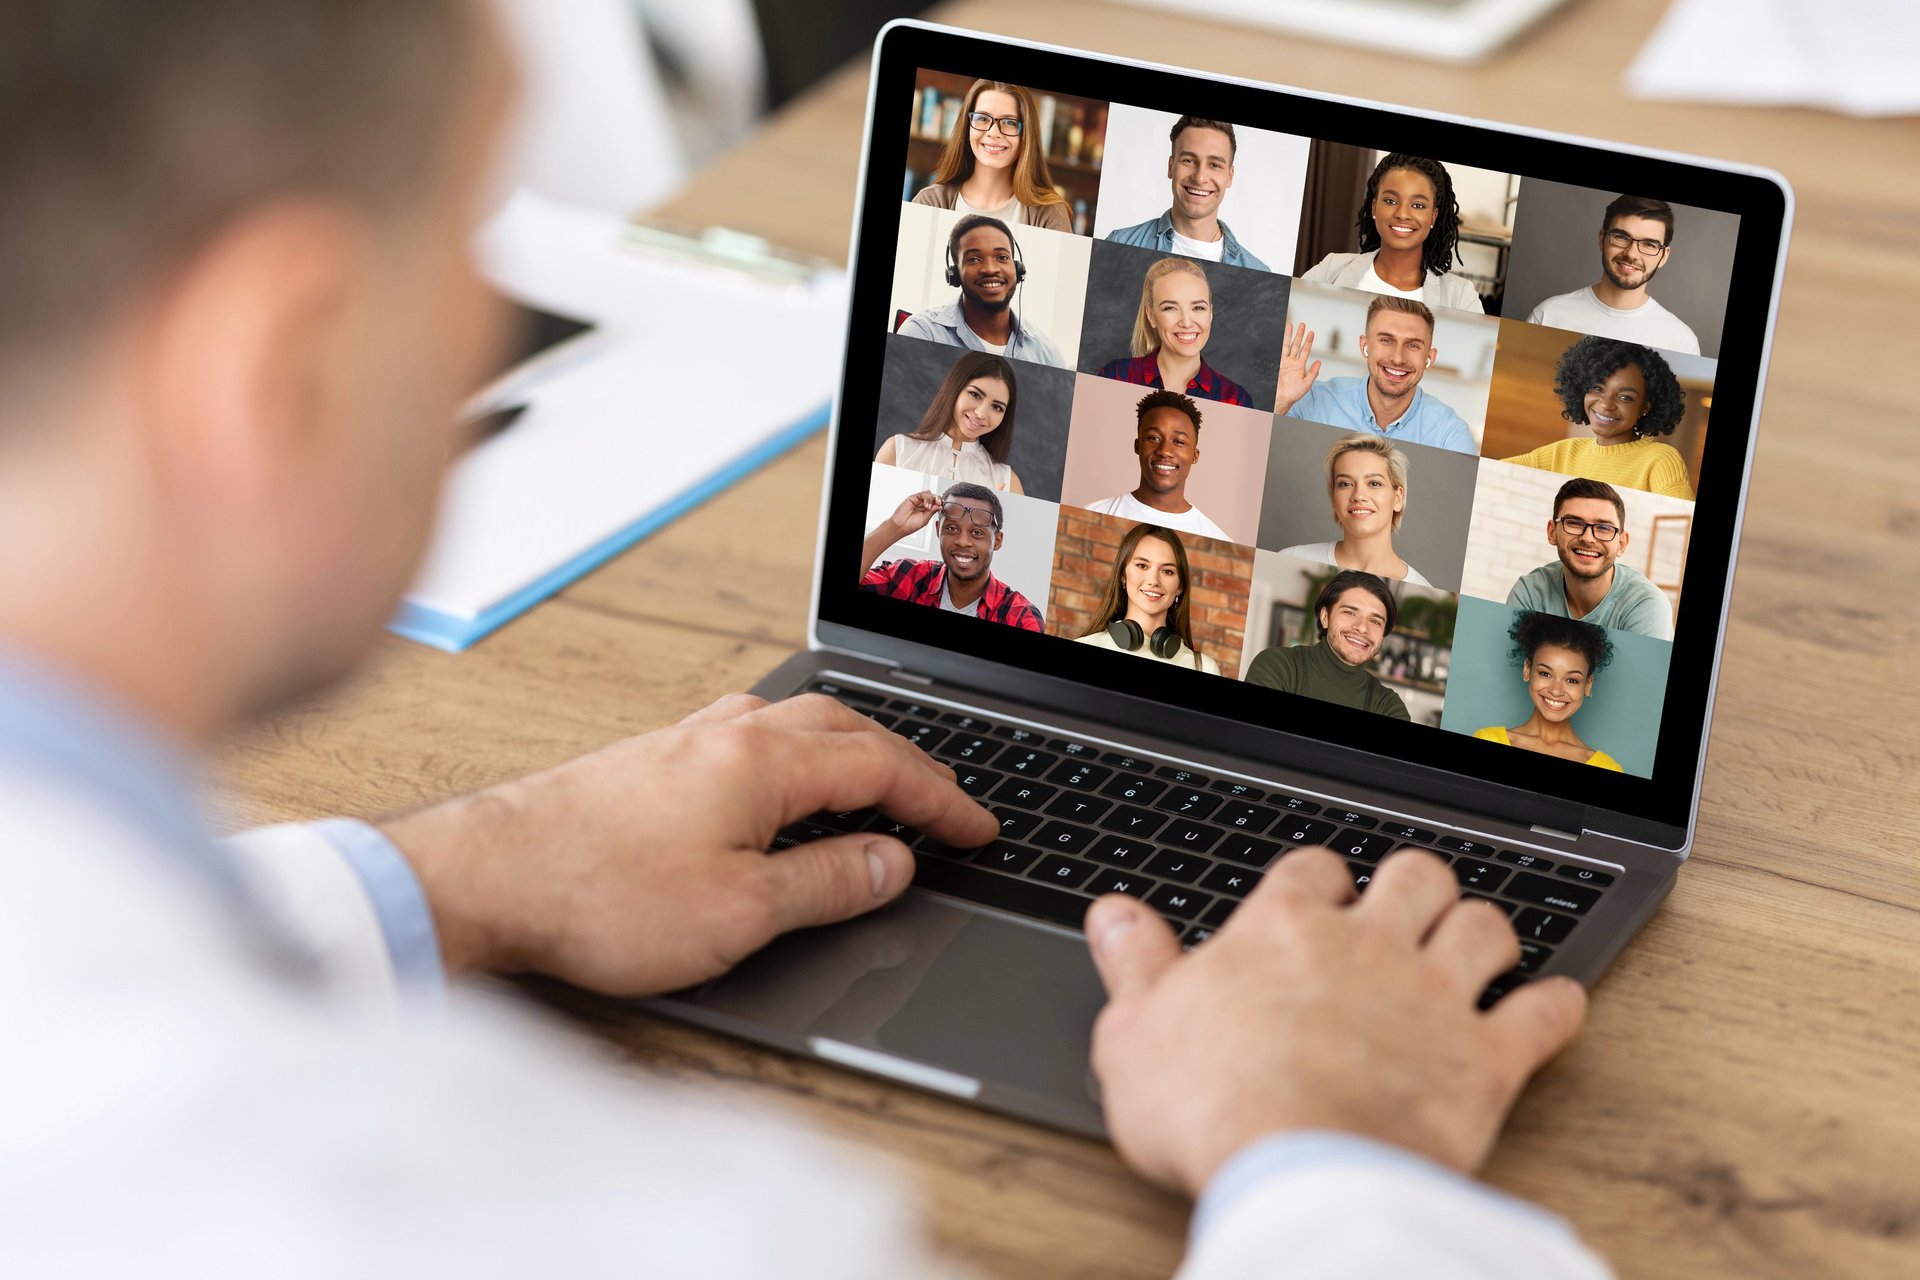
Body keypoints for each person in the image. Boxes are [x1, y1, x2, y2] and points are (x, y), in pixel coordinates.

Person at [2, 3, 1609, 1274]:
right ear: (274, 367)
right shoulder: (589, 1227)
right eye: (472, 238)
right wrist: (1331, 1163)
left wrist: (448, 874)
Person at [1276, 296, 1478, 455]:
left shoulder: (1450, 434)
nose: (1398, 358)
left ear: (1429, 358)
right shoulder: (1311, 401)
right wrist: (1280, 403)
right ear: (1365, 346)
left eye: (1413, 345)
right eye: (1386, 340)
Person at [1504, 335, 1695, 499]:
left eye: (1625, 397)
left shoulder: (1659, 459)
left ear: (1645, 407)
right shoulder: (1562, 452)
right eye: (1597, 388)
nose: (1606, 404)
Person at [1302, 153, 1484, 313]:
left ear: (1433, 217)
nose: (1402, 214)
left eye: (1418, 205)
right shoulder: (1331, 269)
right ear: (1374, 207)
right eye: (1390, 201)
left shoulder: (1461, 297)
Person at [1525, 195, 1701, 356]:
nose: (1632, 254)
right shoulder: (1548, 315)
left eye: (1649, 244)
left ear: (1664, 256)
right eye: (1621, 237)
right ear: (1602, 239)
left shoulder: (1681, 341)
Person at [858, 483, 1044, 629]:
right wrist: (895, 527)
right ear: (939, 530)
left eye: (977, 533)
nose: (963, 541)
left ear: (997, 541)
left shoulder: (1021, 616)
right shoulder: (906, 576)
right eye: (952, 528)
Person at [1507, 478, 1675, 640]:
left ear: (1622, 544)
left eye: (1604, 527)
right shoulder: (1529, 592)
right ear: (1552, 532)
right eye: (1574, 523)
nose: (1588, 538)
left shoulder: (1647, 606)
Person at [897, 214, 1067, 367]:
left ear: (1017, 268)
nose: (990, 269)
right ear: (954, 273)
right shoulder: (921, 333)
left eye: (1002, 257)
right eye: (973, 259)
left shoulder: (1046, 352)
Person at [1103, 116, 1269, 270]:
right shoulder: (1119, 244)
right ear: (1170, 167)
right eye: (1188, 161)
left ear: (1229, 176)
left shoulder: (1258, 271)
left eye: (1215, 165)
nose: (1200, 177)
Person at [1243, 571, 1412, 720]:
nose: (1362, 627)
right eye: (1350, 612)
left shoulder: (1389, 707)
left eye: (1375, 621)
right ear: (1325, 617)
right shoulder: (1277, 666)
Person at [910, 79, 1072, 231]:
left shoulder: (1050, 213)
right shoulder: (930, 202)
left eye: (1009, 122)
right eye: (982, 118)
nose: (993, 133)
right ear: (967, 128)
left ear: (1026, 135)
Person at [1473, 613, 1624, 771]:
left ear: (1587, 685)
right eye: (1545, 674)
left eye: (1572, 680)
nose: (1556, 691)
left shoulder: (1608, 767)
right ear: (1527, 670)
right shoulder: (1488, 739)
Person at [1280, 433, 1434, 586]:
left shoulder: (1422, 586)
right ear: (1333, 497)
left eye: (1374, 483)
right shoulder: (1289, 557)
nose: (1359, 496)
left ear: (1398, 498)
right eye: (1345, 484)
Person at [1095, 257, 1251, 405]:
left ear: (1210, 313)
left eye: (1198, 308)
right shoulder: (1116, 376)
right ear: (1152, 316)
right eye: (1170, 308)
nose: (1187, 322)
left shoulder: (1235, 398)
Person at [1083, 389, 1232, 539]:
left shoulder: (1216, 536)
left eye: (1179, 442)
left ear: (1195, 455)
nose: (1165, 451)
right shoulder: (1092, 513)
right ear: (1137, 445)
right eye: (1154, 438)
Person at [1072, 525, 1221, 674]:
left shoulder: (1204, 668)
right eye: (1142, 565)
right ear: (1123, 575)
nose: (1153, 580)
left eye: (1167, 571)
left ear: (1180, 586)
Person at [875, 351, 1025, 493]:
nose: (981, 414)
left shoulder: (1009, 483)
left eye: (996, 407)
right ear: (955, 388)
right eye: (975, 394)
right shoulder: (898, 451)